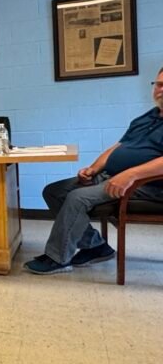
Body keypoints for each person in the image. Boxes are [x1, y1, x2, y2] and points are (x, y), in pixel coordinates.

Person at [25, 70, 163, 275]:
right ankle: (96, 246)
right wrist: (93, 168)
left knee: (77, 198)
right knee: (54, 191)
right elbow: (118, 147)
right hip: (114, 176)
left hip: (148, 185)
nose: (160, 89)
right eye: (158, 84)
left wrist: (131, 175)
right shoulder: (148, 117)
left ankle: (57, 258)